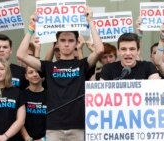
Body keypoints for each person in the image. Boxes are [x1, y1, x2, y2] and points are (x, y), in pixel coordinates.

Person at [17, 7, 104, 141]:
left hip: (79, 125)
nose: (66, 44)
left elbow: (99, 50)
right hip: (54, 127)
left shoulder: (82, 64)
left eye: (70, 41)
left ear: (76, 43)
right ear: (57, 43)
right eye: (63, 40)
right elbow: (21, 54)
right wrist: (32, 26)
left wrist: (90, 21)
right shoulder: (48, 66)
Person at [21, 66, 46, 141]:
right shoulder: (21, 95)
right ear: (26, 76)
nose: (35, 74)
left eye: (38, 71)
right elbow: (18, 120)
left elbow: (55, 121)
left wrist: (43, 139)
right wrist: (28, 138)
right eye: (30, 72)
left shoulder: (51, 96)